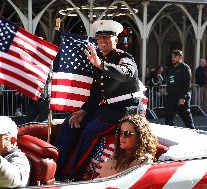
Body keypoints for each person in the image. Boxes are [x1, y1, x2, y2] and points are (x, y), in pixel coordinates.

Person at [55, 20, 145, 180]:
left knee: (90, 131)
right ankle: (56, 166)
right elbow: (96, 93)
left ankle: (72, 174)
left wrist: (101, 65)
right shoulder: (100, 60)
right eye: (99, 38)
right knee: (70, 122)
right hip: (108, 109)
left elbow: (125, 73)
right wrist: (83, 111)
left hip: (125, 110)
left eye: (107, 37)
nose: (102, 41)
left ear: (116, 40)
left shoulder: (123, 57)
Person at [165, 50, 195, 129]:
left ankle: (193, 132)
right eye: (172, 56)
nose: (173, 58)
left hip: (181, 96)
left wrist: (183, 97)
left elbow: (187, 84)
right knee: (168, 118)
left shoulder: (185, 68)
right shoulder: (170, 68)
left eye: (175, 57)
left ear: (180, 57)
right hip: (171, 96)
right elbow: (169, 81)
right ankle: (170, 133)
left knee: (186, 117)